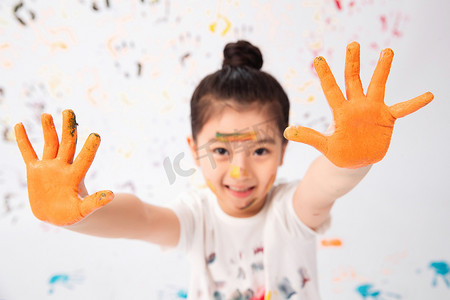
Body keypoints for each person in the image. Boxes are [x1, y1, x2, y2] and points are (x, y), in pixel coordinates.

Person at [14, 40, 433, 299]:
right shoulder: (196, 217)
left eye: (261, 150)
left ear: (285, 152)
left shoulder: (292, 213)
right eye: (220, 150)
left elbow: (324, 186)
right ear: (192, 150)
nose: (239, 172)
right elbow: (139, 218)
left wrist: (350, 159)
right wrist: (80, 212)